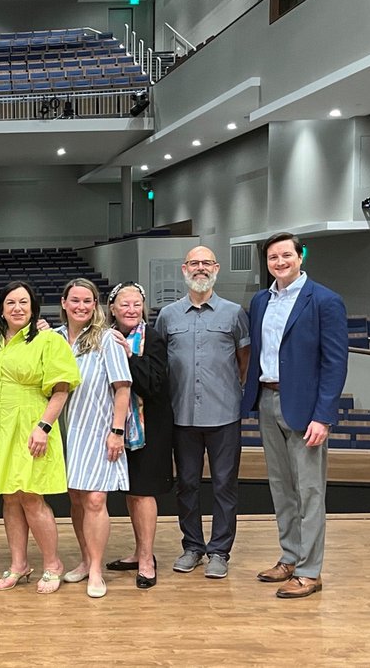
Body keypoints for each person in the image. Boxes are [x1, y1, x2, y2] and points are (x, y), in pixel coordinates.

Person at [241, 232, 347, 599]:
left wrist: (324, 416)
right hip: (268, 402)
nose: (280, 262)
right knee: (281, 489)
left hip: (305, 410)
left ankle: (310, 570)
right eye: (273, 257)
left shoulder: (325, 301)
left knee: (310, 491)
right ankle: (289, 556)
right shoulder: (259, 301)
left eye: (287, 255)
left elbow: (335, 364)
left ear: (301, 256)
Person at [0, 281, 80, 595]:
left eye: (23, 302)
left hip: (32, 422)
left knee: (31, 496)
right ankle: (19, 564)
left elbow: (61, 390)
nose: (17, 308)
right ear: (1, 307)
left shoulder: (47, 340)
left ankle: (53, 563)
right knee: (9, 496)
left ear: (33, 308)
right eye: (11, 302)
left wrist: (43, 427)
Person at [155, 247, 250, 579]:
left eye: (205, 263)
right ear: (184, 269)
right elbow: (161, 363)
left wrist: (227, 392)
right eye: (194, 263)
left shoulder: (234, 313)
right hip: (181, 417)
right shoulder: (167, 316)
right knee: (188, 485)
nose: (199, 268)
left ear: (216, 268)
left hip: (224, 415)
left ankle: (220, 551)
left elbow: (244, 363)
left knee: (225, 485)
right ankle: (193, 546)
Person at [55, 278, 132, 598]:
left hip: (99, 431)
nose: (81, 306)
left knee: (95, 500)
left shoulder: (106, 339)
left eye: (88, 301)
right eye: (75, 300)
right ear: (64, 303)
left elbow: (123, 388)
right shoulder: (53, 339)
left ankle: (97, 570)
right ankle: (86, 560)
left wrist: (117, 431)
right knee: (75, 499)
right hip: (64, 431)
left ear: (96, 304)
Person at [104, 282, 174, 589]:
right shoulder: (105, 336)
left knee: (144, 492)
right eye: (124, 305)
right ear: (112, 309)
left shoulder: (154, 338)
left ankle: (147, 559)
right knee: (131, 492)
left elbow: (152, 382)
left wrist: (126, 354)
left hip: (150, 428)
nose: (131, 310)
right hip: (117, 425)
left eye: (136, 305)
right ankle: (137, 551)